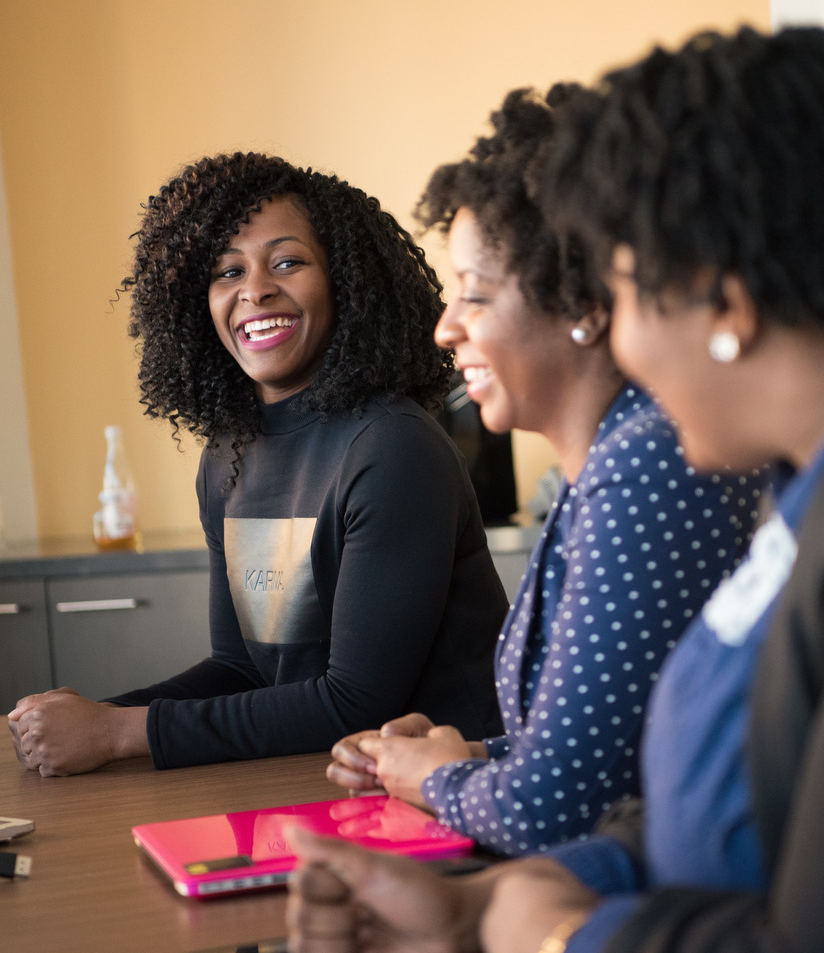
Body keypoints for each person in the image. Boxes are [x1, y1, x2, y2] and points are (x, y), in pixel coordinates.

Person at [283, 26, 824, 953]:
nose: (619, 344)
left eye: (623, 293)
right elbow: (741, 785)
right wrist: (514, 895)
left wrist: (558, 935)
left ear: (726, 300)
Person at [326, 86, 762, 856]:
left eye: (475, 295)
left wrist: (434, 781)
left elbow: (552, 811)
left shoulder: (646, 468)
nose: (445, 326)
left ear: (583, 305)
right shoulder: (609, 462)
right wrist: (455, 759)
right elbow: (608, 755)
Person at [8, 152, 509, 776]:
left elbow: (354, 701)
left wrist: (116, 732)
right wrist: (92, 718)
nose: (255, 289)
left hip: (446, 798)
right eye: (226, 271)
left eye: (288, 262)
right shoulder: (227, 454)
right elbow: (241, 670)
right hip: (310, 776)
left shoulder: (392, 446)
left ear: (345, 282)